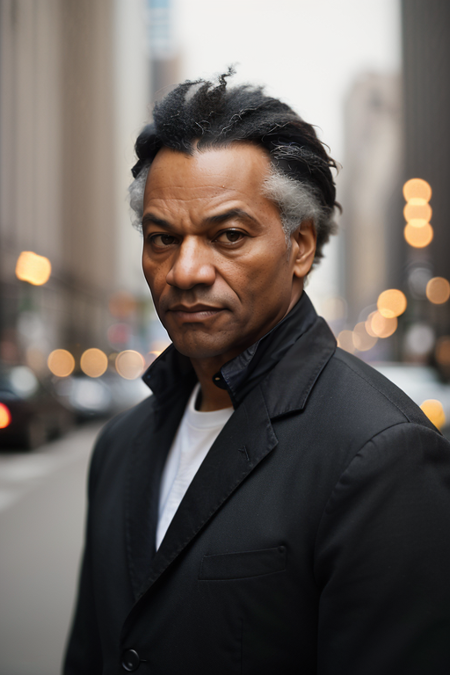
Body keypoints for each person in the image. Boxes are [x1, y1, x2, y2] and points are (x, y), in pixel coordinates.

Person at [64, 71, 450, 675]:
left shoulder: (382, 455)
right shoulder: (119, 444)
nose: (186, 269)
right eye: (162, 238)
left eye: (229, 236)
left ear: (300, 246)